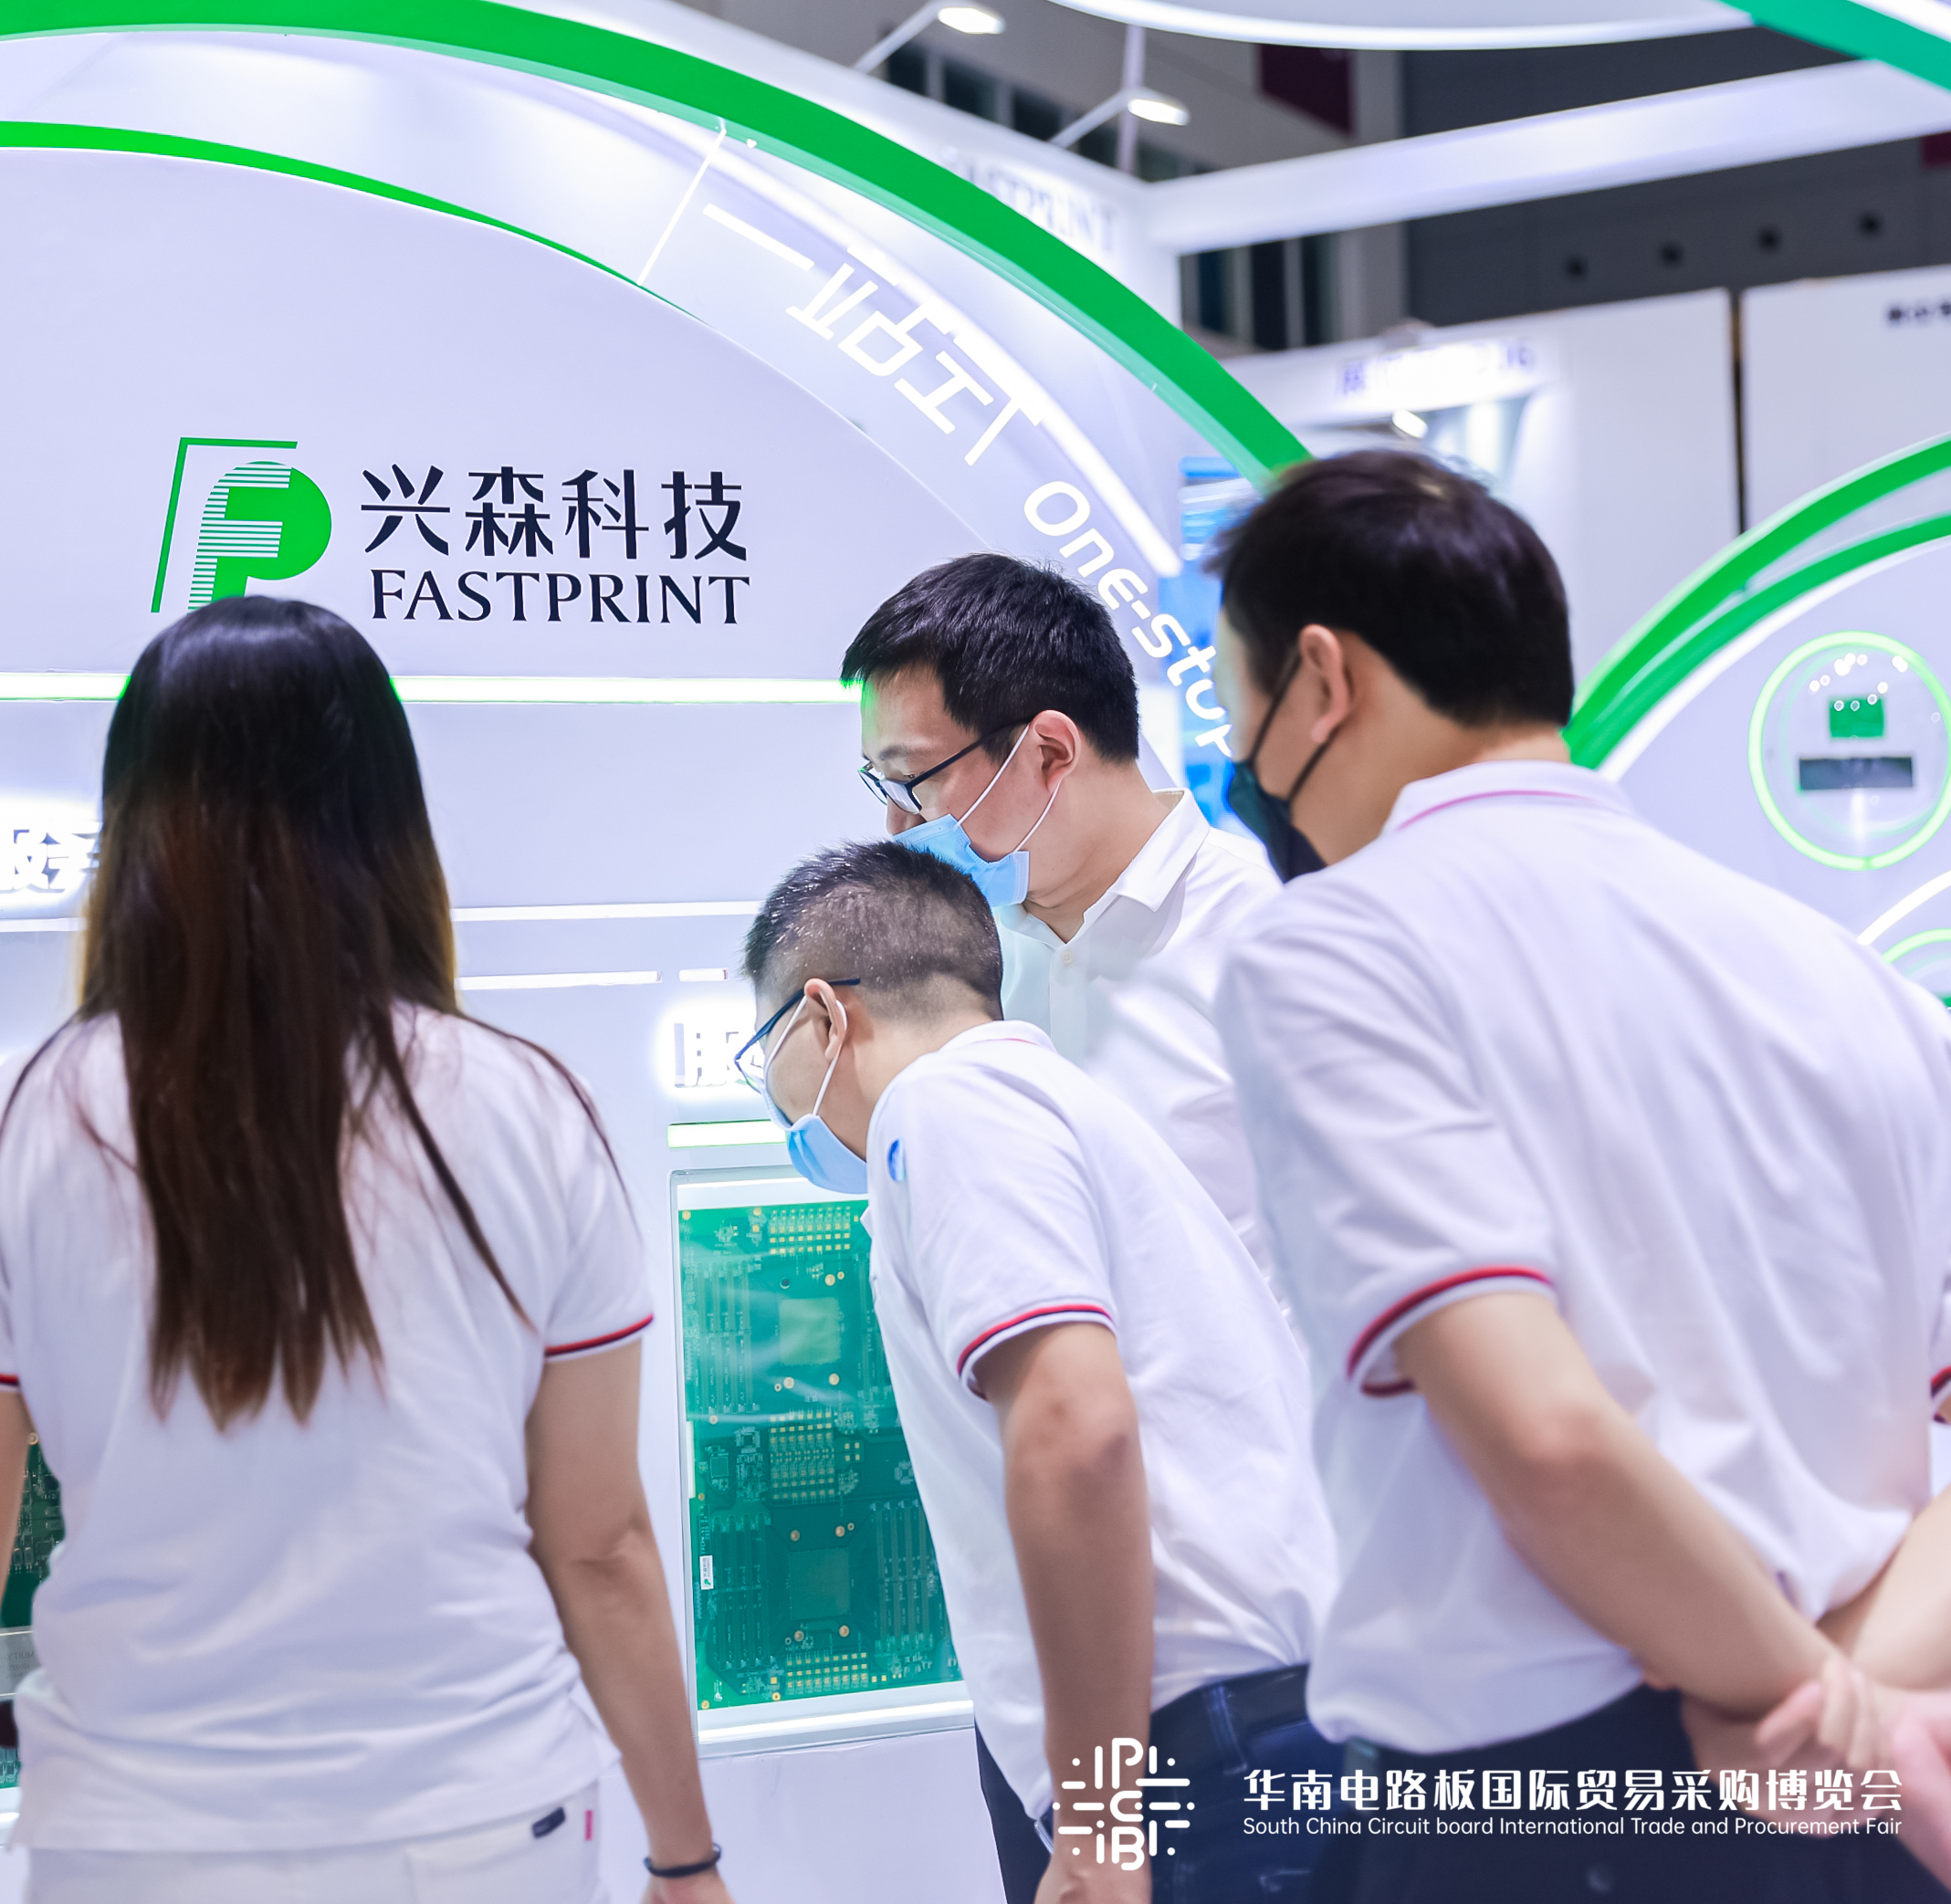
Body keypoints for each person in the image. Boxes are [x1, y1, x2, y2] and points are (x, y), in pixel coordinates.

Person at [0, 596, 735, 1904]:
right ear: (389, 822)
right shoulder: (530, 1109)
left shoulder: (14, 1127)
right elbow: (598, 1541)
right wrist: (687, 1856)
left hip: (137, 1836)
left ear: (133, 824)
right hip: (486, 1820)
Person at [1209, 449, 1951, 1901]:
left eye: (1238, 709)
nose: (1242, 765)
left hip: (1548, 1813)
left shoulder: (1336, 948)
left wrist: (1803, 1706)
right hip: (1860, 1776)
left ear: (1322, 678)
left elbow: (1545, 1435)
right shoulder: (1851, 979)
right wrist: (1844, 1703)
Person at [740, 840, 1334, 1904]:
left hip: (1197, 1752)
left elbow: (1076, 1431)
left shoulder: (944, 1107)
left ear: (822, 1014)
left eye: (763, 1047)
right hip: (1252, 1731)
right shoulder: (1051, 1101)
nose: (775, 1099)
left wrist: (1101, 1820)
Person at [843, 555, 1278, 1274]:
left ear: (1048, 751)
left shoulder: (1273, 936)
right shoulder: (952, 962)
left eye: (913, 780)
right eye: (881, 783)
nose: (897, 824)